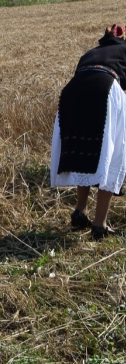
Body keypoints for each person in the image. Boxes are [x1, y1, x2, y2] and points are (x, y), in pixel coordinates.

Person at [50, 24, 126, 240]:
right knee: (110, 154)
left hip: (72, 92)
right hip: (105, 87)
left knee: (85, 150)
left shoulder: (90, 53)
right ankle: (99, 224)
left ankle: (80, 210)